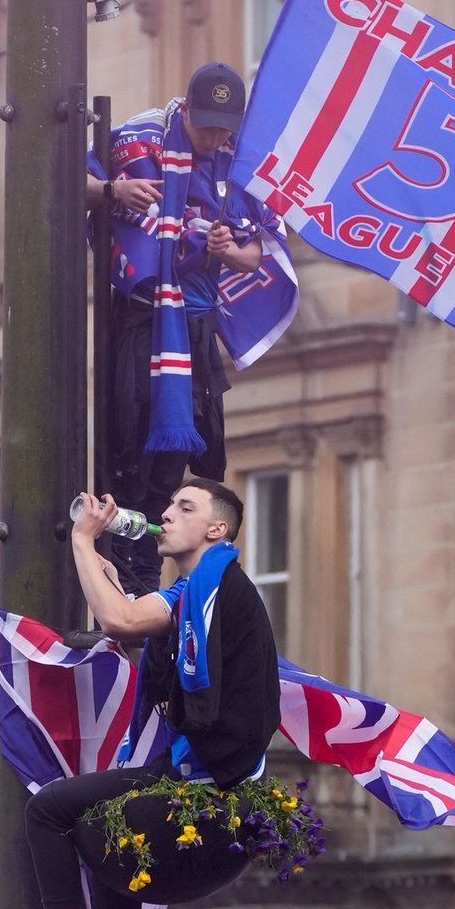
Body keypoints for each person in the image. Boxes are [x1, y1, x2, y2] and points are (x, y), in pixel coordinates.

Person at [0, 479, 281, 909]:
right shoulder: (203, 591)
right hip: (195, 779)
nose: (167, 515)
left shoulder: (213, 589)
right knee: (116, 863)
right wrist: (112, 581)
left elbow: (120, 621)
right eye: (169, 504)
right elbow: (143, 636)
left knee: (48, 811)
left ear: (216, 530)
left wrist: (79, 538)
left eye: (185, 508)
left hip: (206, 788)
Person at [86, 61, 297, 594]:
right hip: (145, 318)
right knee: (131, 452)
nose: (215, 137)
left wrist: (231, 249)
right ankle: (128, 579)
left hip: (196, 325)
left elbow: (257, 252)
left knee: (177, 461)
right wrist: (115, 191)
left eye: (225, 127)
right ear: (187, 109)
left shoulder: (238, 162)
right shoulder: (141, 139)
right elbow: (65, 174)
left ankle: (146, 578)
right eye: (207, 126)